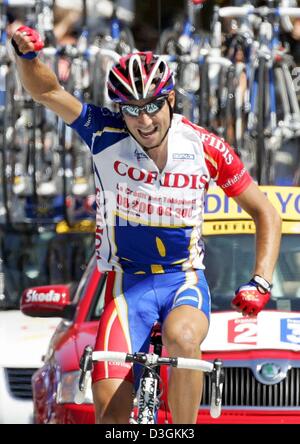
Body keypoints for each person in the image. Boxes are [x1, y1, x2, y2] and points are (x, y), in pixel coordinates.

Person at [11, 27, 282, 424]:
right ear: (119, 110)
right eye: (131, 109)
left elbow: (265, 211)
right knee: (112, 418)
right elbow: (48, 92)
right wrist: (28, 58)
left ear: (170, 98)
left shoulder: (204, 147)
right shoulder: (104, 134)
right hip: (126, 285)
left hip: (182, 281)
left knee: (183, 338)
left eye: (153, 105)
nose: (144, 119)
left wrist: (260, 281)